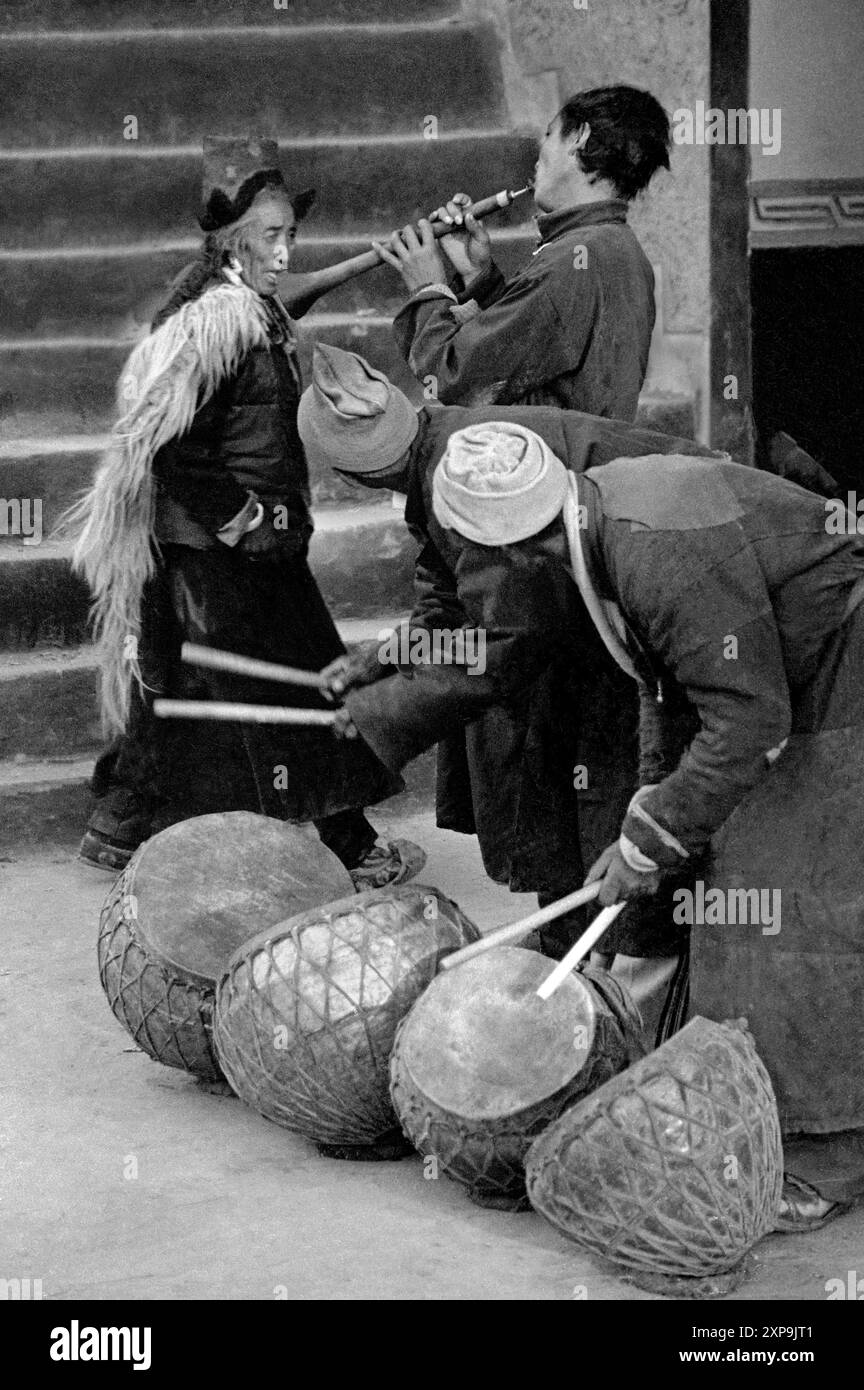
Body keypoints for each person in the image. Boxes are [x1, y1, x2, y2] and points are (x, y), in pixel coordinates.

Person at [355, 424, 864, 1231]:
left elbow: (747, 721)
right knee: (729, 886)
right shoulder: (592, 518)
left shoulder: (657, 551)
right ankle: (760, 1104)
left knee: (786, 911)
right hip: (785, 676)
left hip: (840, 670)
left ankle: (826, 1157)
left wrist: (651, 840)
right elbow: (672, 685)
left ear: (516, 550)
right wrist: (647, 815)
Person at [300, 344, 720, 995]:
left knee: (602, 773)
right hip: (582, 605)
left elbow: (503, 649)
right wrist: (383, 658)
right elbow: (452, 601)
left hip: (672, 586)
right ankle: (568, 935)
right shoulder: (435, 443)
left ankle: (631, 961)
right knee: (542, 753)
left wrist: (379, 715)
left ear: (356, 472)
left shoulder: (465, 468)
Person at [65, 138, 422, 889]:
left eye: (292, 234)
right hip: (230, 548)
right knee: (301, 685)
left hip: (189, 545)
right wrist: (251, 523)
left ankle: (120, 826)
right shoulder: (225, 321)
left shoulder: (217, 296)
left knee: (171, 687)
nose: (287, 252)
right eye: (272, 236)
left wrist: (374, 261)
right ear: (233, 240)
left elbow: (286, 299)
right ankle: (350, 843)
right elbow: (175, 452)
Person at [374, 84, 671, 416]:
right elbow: (534, 359)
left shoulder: (573, 259)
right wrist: (477, 277)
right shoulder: (614, 246)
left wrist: (429, 289)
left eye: (549, 133)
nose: (541, 147)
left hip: (556, 462)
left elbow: (457, 375)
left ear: (580, 138)